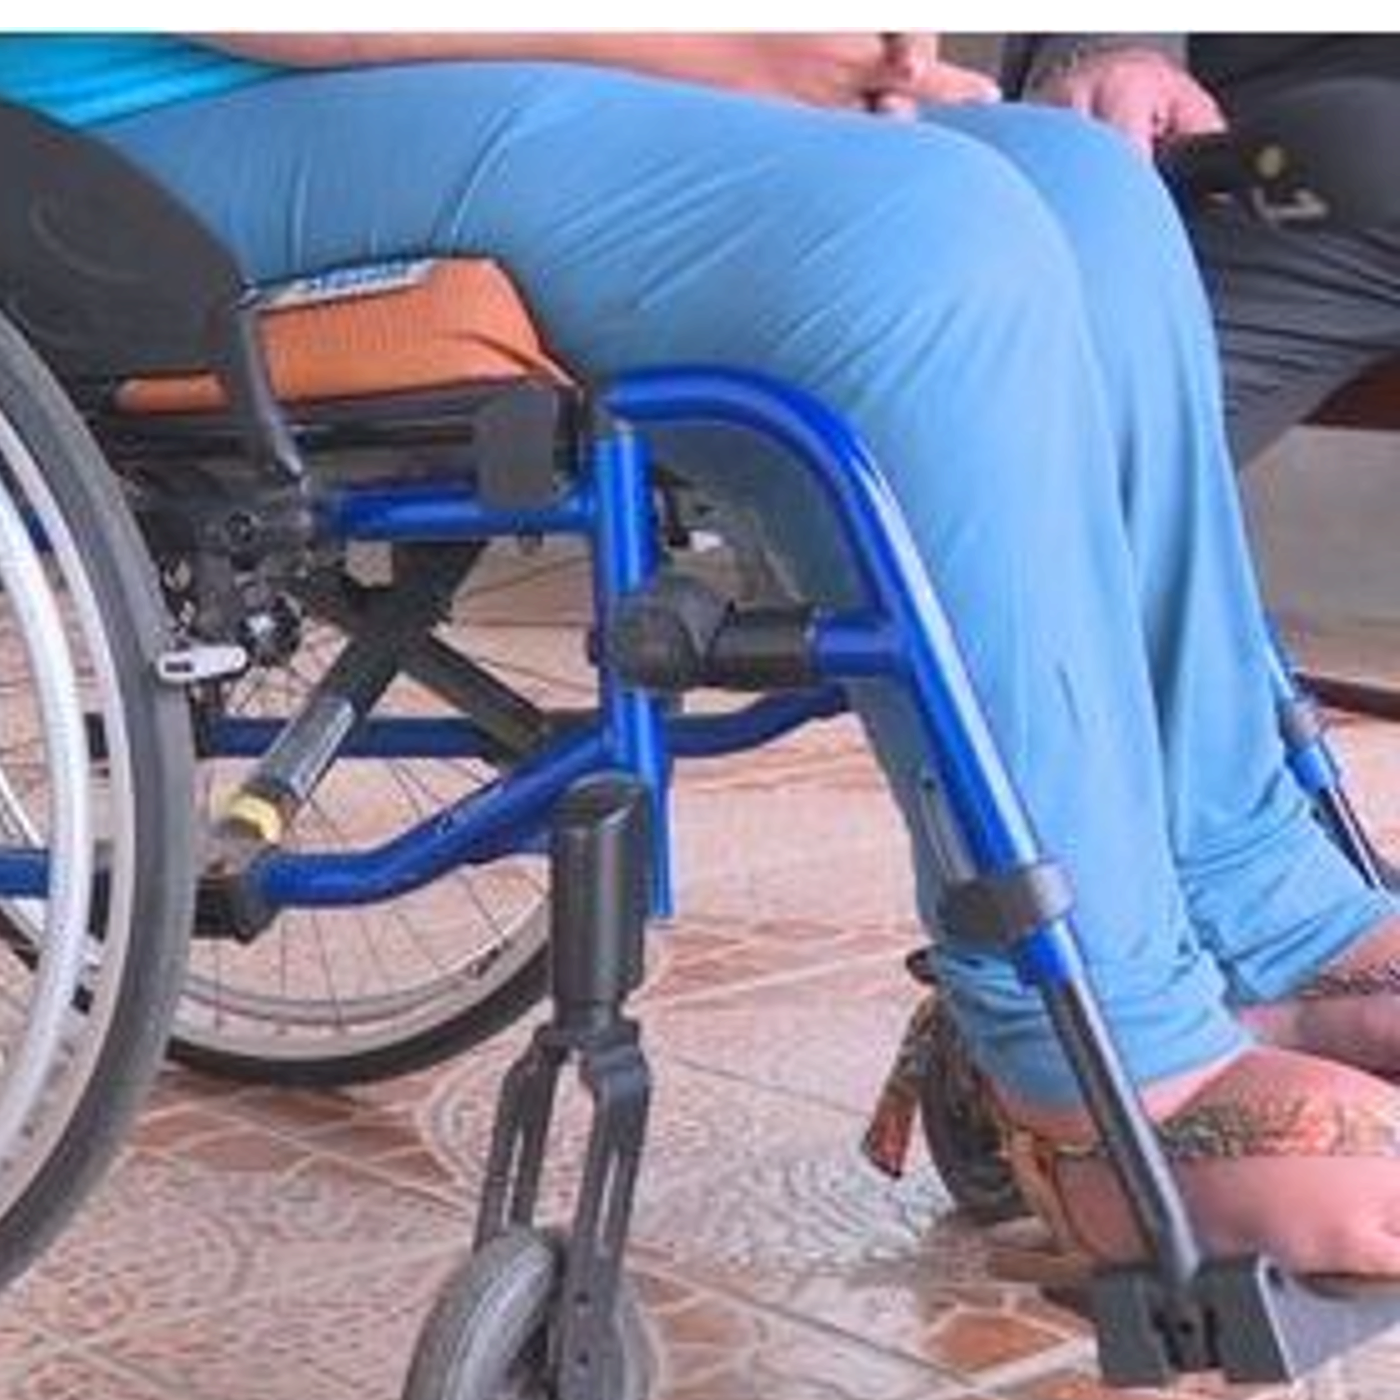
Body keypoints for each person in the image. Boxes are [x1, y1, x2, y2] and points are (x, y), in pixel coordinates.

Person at [6, 30, 1400, 1272]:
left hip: (404, 79)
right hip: (108, 142)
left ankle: (1267, 914)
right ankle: (1097, 1069)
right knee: (923, 235)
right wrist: (714, 51)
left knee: (1084, 188)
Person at [1005, 33, 1400, 463]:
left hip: (1340, 180)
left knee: (1045, 426)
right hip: (1228, 120)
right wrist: (1114, 50)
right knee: (1026, 408)